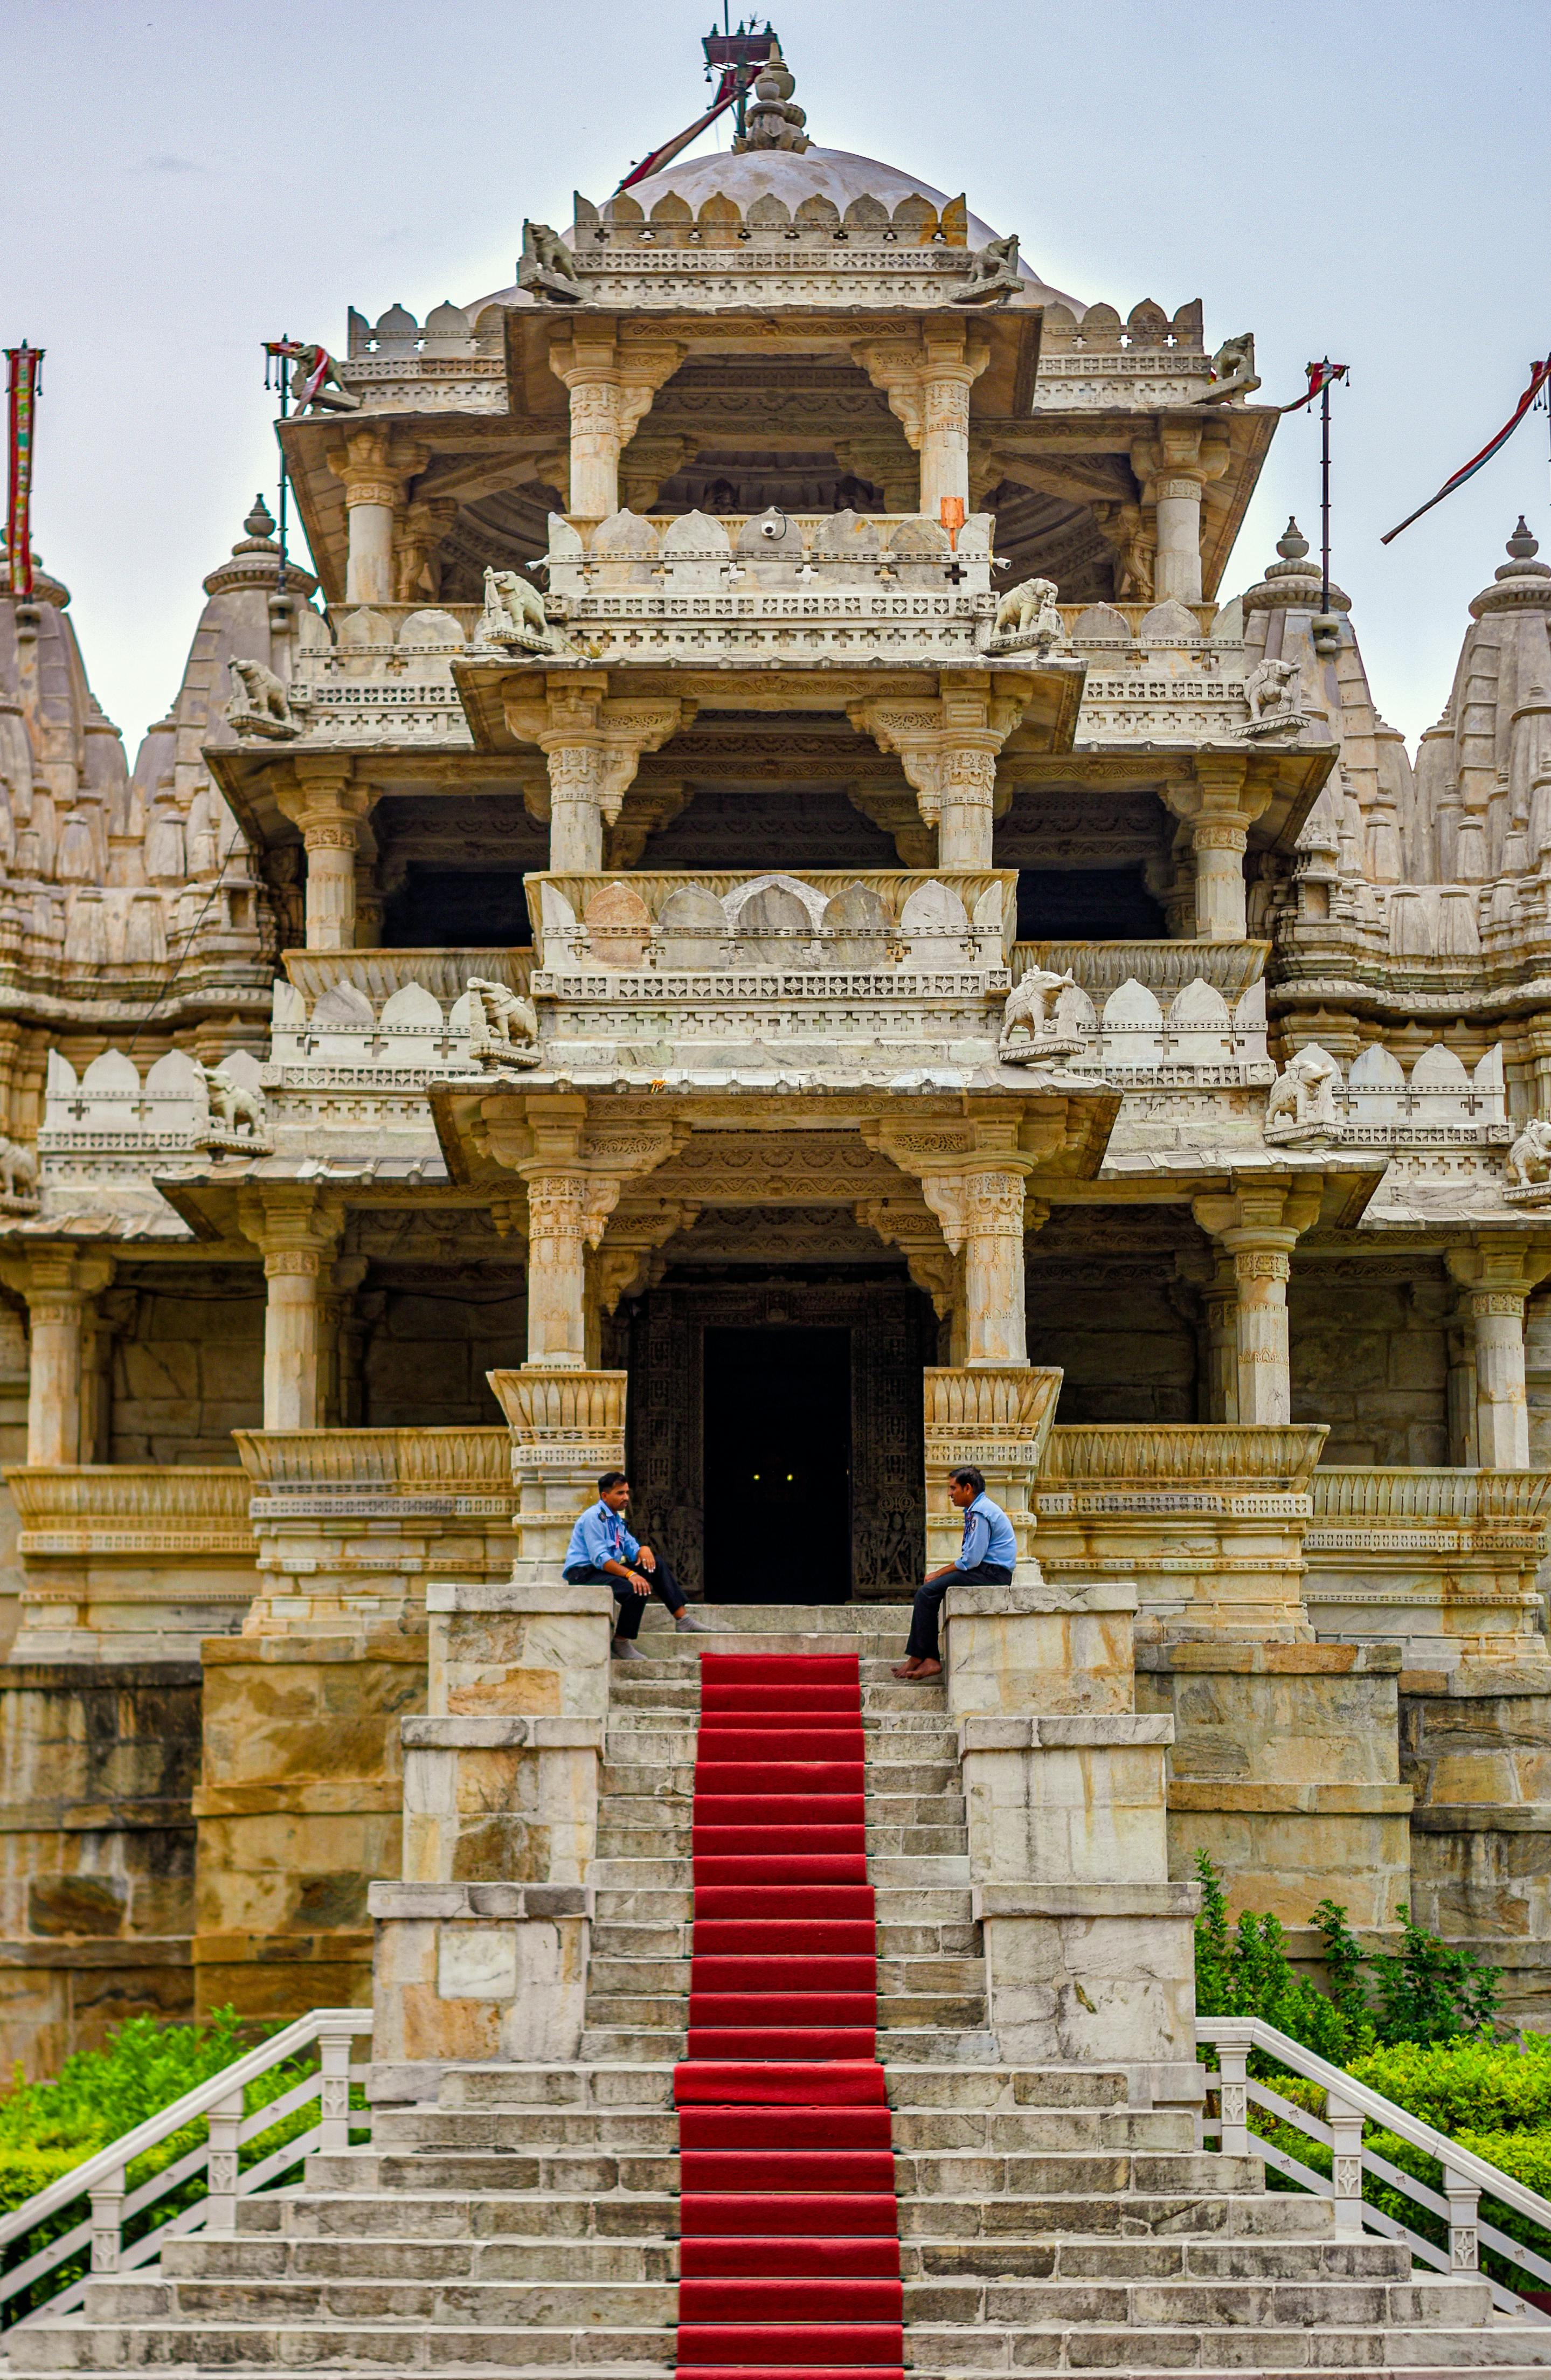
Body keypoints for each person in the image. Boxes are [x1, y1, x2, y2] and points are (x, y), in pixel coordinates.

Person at [563, 1470, 707, 1661]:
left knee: (655, 1566)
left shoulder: (616, 1520)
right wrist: (631, 1574)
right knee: (637, 1588)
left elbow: (632, 1548)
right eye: (620, 1493)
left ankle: (684, 1620)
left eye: (627, 1493)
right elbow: (601, 1559)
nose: (626, 1498)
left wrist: (644, 1549)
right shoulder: (594, 1518)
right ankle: (621, 1642)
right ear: (605, 1496)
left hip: (601, 1571)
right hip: (584, 1575)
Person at [893, 1464, 1015, 1680]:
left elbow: (971, 1559)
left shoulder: (981, 1512)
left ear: (967, 1488)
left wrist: (938, 1573)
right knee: (929, 1592)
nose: (949, 1494)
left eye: (952, 1488)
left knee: (926, 1592)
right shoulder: (977, 1509)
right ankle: (926, 1657)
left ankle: (925, 1658)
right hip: (986, 1571)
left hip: (991, 1574)